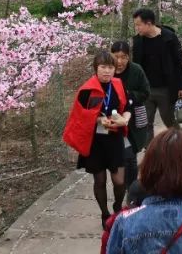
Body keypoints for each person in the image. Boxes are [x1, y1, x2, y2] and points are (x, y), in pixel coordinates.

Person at [63, 50, 132, 228]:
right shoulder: (87, 90)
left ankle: (117, 207)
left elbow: (129, 106)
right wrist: (99, 120)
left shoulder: (118, 84)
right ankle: (104, 213)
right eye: (103, 67)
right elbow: (80, 117)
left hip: (115, 137)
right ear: (96, 68)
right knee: (99, 180)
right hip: (95, 141)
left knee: (119, 181)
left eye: (110, 67)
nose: (107, 71)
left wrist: (125, 119)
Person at [131, 9, 182, 129]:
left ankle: (179, 145)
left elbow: (179, 63)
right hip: (146, 89)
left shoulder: (169, 38)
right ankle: (149, 148)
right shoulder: (138, 41)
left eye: (138, 25)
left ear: (148, 23)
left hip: (166, 88)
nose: (136, 28)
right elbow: (136, 66)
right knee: (146, 123)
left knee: (170, 121)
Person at [110, 41, 152, 190]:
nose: (120, 61)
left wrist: (128, 96)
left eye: (124, 57)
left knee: (131, 156)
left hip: (132, 119)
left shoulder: (136, 70)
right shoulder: (107, 70)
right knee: (117, 155)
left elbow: (146, 92)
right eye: (116, 57)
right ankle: (120, 185)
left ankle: (132, 189)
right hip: (111, 119)